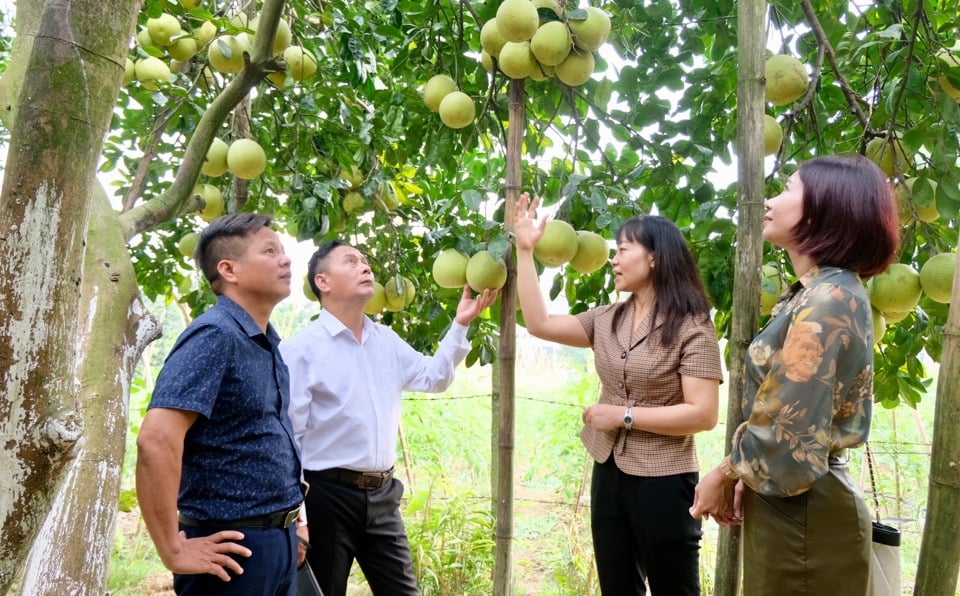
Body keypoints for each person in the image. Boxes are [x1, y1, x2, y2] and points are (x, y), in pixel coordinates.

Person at [689, 155, 900, 594]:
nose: (770, 200)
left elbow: (789, 425)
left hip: (805, 514)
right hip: (793, 503)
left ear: (825, 207)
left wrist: (725, 473)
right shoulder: (818, 292)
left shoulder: (828, 299)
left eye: (786, 189)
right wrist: (750, 474)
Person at [513, 194, 724, 595]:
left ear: (655, 258)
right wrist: (525, 250)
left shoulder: (692, 326)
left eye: (623, 250)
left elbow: (703, 414)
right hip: (608, 470)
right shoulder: (608, 319)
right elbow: (538, 323)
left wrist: (624, 415)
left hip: (664, 479)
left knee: (674, 589)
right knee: (617, 586)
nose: (613, 260)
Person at [280, 240, 498, 596]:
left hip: (382, 495)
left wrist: (460, 325)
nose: (365, 267)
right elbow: (290, 443)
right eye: (351, 261)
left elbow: (434, 377)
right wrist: (299, 519)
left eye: (366, 261)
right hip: (326, 497)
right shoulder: (301, 350)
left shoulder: (386, 341)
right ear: (323, 282)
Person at [136, 213, 308, 596]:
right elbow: (156, 440)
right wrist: (172, 550)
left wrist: (292, 525)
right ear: (228, 269)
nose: (286, 259)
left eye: (283, 251)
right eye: (270, 251)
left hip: (276, 540)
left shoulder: (265, 342)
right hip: (230, 547)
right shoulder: (216, 335)